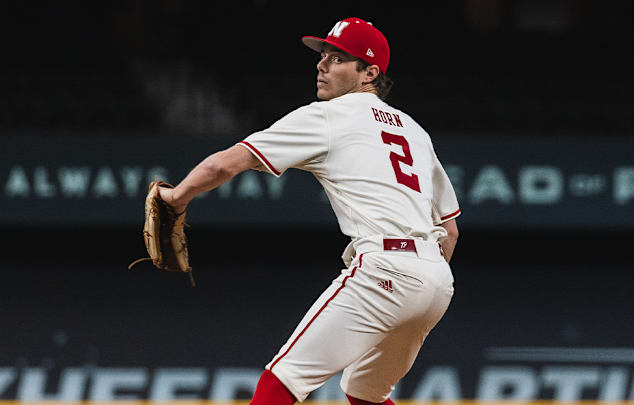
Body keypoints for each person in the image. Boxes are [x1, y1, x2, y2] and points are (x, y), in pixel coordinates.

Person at [158, 17, 461, 405]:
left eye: (337, 58)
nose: (321, 65)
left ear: (369, 72)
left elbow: (225, 165)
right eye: (323, 57)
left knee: (281, 381)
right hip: (436, 281)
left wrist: (176, 199)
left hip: (386, 269)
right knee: (366, 393)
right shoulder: (415, 131)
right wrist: (424, 281)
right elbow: (449, 231)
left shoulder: (329, 116)